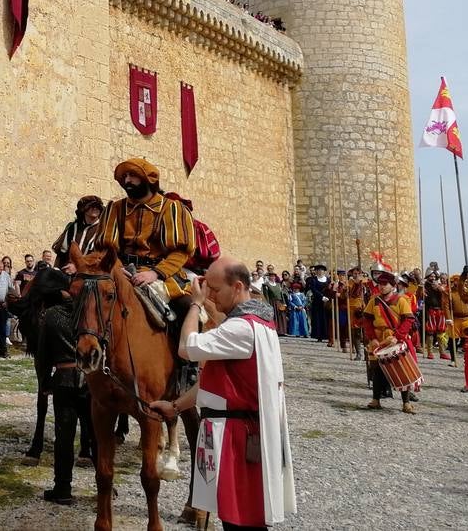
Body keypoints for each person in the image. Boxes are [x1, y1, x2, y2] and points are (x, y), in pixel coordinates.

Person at [151, 257, 296, 531]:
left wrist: (195, 303)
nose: (212, 299)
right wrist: (176, 406)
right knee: (234, 517)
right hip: (227, 429)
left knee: (241, 520)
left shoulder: (241, 328)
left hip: (235, 435)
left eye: (216, 291)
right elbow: (212, 380)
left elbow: (187, 347)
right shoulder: (252, 324)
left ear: (238, 287)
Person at [93, 158, 195, 310]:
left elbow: (180, 253)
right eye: (125, 176)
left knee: (187, 307)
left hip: (161, 274)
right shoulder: (115, 209)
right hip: (120, 270)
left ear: (148, 179)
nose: (127, 180)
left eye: (133, 176)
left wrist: (155, 273)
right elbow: (105, 249)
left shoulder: (171, 208)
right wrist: (117, 268)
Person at [31, 268, 91, 506]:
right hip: (90, 380)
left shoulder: (52, 315)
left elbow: (42, 355)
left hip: (64, 379)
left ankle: (63, 489)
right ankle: (106, 486)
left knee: (64, 438)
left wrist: (45, 382)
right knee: (97, 436)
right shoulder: (89, 313)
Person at [360, 260, 419, 413]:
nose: (381, 286)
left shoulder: (401, 300)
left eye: (385, 284)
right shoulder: (374, 300)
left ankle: (406, 403)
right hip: (378, 339)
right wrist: (372, 337)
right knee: (377, 370)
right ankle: (375, 399)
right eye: (380, 284)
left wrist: (398, 336)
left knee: (401, 370)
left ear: (393, 286)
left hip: (394, 338)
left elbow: (408, 320)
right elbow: (366, 319)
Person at [54, 195, 104, 271]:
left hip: (92, 273)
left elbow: (100, 256)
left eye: (98, 207)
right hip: (68, 269)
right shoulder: (72, 227)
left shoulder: (104, 230)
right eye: (92, 206)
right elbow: (62, 253)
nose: (95, 208)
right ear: (83, 209)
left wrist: (77, 267)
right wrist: (56, 269)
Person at [307, 265, 329, 342]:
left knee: (326, 318)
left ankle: (327, 335)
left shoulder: (328, 280)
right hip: (317, 301)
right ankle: (318, 335)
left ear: (324, 271)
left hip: (327, 302)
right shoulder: (314, 280)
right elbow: (314, 289)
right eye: (318, 270)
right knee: (318, 318)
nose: (320, 272)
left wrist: (327, 297)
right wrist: (321, 297)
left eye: (321, 270)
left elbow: (330, 289)